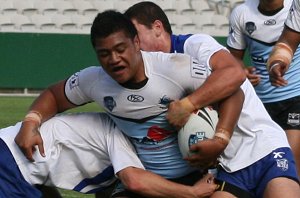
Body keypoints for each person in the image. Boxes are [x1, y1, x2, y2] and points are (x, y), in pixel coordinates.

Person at [14, 10, 299, 197]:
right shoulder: (96, 81)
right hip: (203, 169)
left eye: (121, 48)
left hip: (251, 151)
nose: (114, 58)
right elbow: (54, 94)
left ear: (139, 39)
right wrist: (31, 121)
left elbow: (234, 80)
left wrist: (192, 110)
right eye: (104, 53)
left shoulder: (184, 58)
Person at [125, 2, 300, 197]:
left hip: (262, 147)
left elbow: (234, 73)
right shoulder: (151, 76)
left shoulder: (194, 45)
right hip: (226, 166)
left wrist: (187, 105)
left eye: (136, 37)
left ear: (157, 28)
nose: (135, 46)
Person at [1, 112, 217, 197]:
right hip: (10, 166)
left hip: (22, 170)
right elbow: (135, 181)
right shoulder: (120, 134)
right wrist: (193, 192)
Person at [226, 0, 300, 176]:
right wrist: (242, 73)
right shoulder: (241, 13)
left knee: (291, 160)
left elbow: (288, 44)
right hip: (259, 104)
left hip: (295, 97)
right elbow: (232, 60)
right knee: (263, 164)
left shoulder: (294, 6)